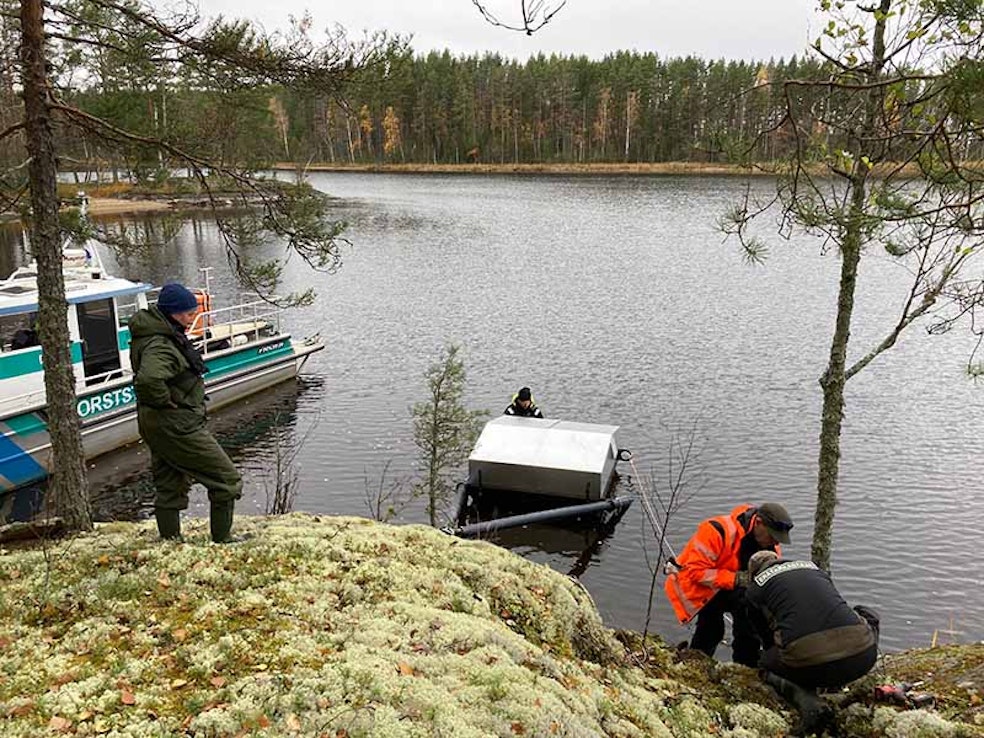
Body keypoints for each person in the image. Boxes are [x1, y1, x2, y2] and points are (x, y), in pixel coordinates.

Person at [129, 282, 243, 542]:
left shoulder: (160, 334)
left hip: (158, 423)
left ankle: (170, 540)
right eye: (190, 314)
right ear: (174, 313)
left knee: (170, 483)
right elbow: (148, 380)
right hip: (174, 424)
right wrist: (165, 401)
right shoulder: (160, 344)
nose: (194, 318)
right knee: (226, 480)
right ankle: (222, 541)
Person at [745, 550, 879, 733]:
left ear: (754, 573)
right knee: (859, 616)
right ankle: (836, 684)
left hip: (812, 666)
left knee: (766, 663)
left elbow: (766, 639)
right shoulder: (814, 569)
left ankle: (810, 704)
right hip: (863, 658)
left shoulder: (755, 588)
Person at [664, 502, 793, 666]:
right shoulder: (716, 531)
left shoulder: (770, 546)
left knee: (749, 629)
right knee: (711, 630)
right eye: (773, 536)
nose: (775, 542)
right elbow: (694, 571)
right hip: (706, 590)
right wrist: (737, 579)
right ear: (758, 522)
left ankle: (746, 669)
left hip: (739, 593)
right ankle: (696, 665)